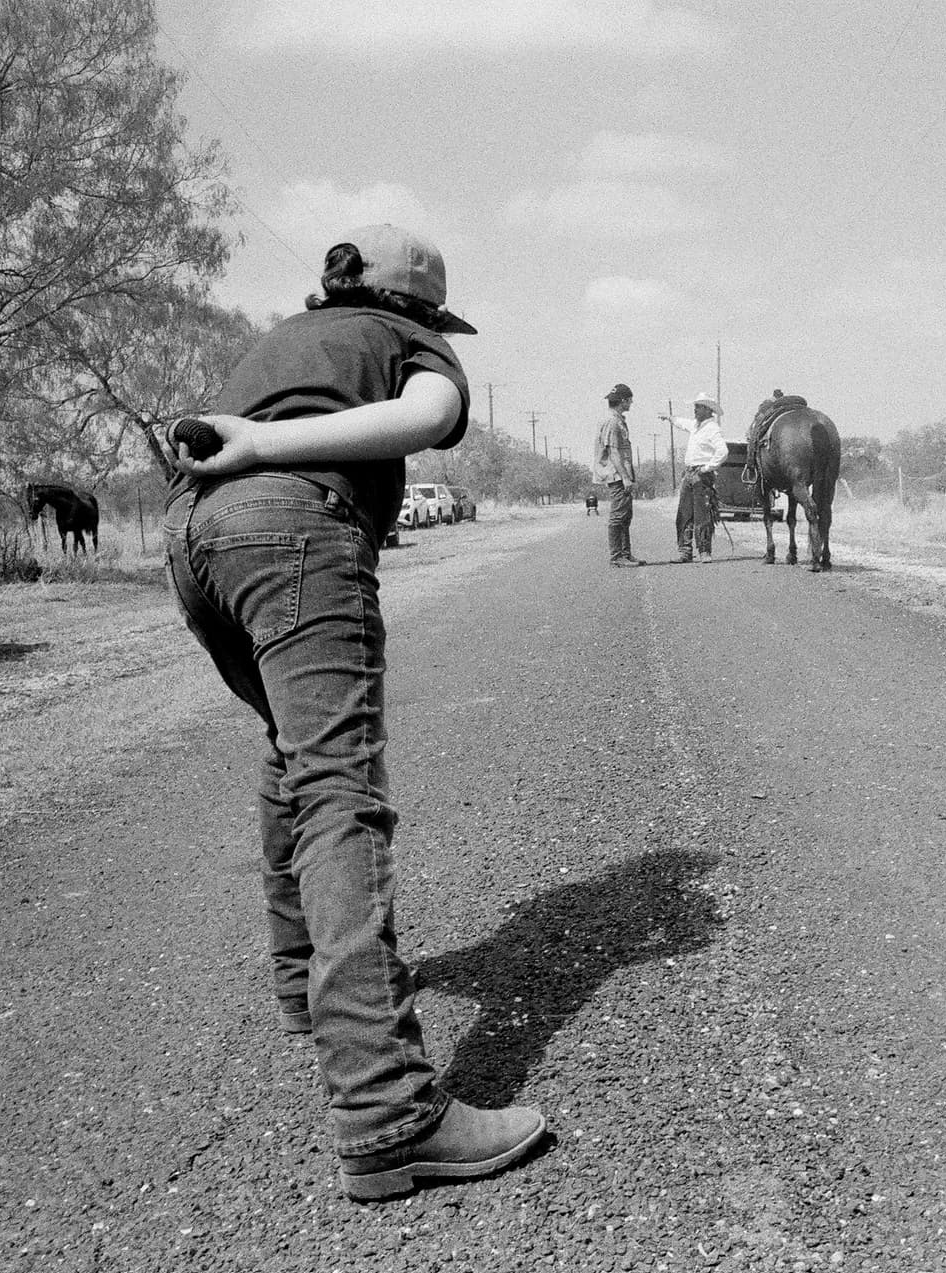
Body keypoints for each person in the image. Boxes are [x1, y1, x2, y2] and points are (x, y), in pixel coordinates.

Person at [162, 223, 545, 1202]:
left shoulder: (288, 336)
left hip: (195, 535)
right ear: (419, 305)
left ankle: (304, 990)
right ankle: (387, 1114)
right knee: (341, 793)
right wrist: (270, 445)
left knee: (292, 757)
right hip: (291, 523)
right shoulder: (407, 337)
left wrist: (246, 440)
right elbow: (426, 415)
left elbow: (222, 440)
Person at [671, 392, 728, 563]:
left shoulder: (712, 428)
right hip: (689, 473)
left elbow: (723, 451)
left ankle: (704, 551)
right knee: (684, 513)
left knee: (703, 513)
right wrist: (670, 417)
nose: (694, 410)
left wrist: (707, 468)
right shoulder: (696, 426)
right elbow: (682, 423)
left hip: (701, 475)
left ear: (707, 409)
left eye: (698, 407)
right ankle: (685, 551)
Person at [592, 382, 640, 565]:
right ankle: (617, 556)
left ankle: (625, 554)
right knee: (618, 515)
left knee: (625, 516)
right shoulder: (612, 421)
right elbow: (614, 452)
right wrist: (625, 477)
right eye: (629, 400)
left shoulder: (617, 419)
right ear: (622, 401)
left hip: (621, 474)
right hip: (617, 475)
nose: (631, 403)